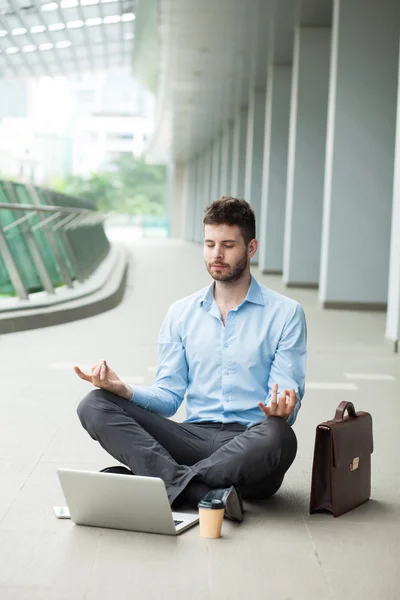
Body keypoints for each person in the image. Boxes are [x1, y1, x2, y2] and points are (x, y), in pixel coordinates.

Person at [75, 197, 307, 522]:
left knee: (279, 436)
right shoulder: (181, 313)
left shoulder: (286, 314)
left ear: (251, 247)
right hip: (192, 437)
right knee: (94, 404)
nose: (217, 255)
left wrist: (284, 409)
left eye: (228, 245)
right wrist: (123, 390)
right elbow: (168, 397)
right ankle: (202, 493)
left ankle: (163, 481)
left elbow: (286, 397)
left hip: (249, 444)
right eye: (210, 244)